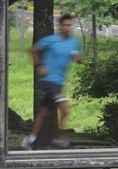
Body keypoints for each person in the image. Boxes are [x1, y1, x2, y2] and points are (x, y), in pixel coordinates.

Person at [21, 13, 82, 150]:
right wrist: (39, 67)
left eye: (69, 25)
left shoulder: (74, 42)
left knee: (45, 113)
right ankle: (58, 139)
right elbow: (33, 50)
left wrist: (77, 59)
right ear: (60, 26)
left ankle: (30, 140)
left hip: (59, 82)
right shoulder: (51, 40)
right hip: (49, 81)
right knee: (65, 110)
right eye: (64, 25)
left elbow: (78, 59)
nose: (67, 27)